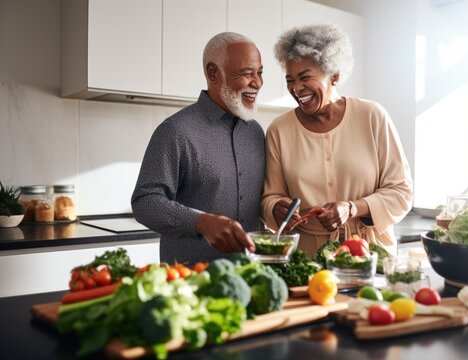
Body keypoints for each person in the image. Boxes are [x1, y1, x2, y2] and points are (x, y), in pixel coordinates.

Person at [261, 24, 413, 257]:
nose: (296, 88)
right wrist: (276, 208)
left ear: (335, 75)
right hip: (307, 259)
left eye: (305, 77)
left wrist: (353, 208)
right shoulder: (279, 130)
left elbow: (402, 192)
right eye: (290, 80)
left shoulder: (372, 116)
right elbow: (269, 198)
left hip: (369, 254)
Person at [132, 32, 265, 265]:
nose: (257, 82)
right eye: (246, 73)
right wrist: (201, 222)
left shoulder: (255, 132)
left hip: (251, 277)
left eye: (260, 72)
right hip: (190, 282)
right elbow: (145, 202)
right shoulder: (175, 131)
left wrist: (276, 209)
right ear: (214, 73)